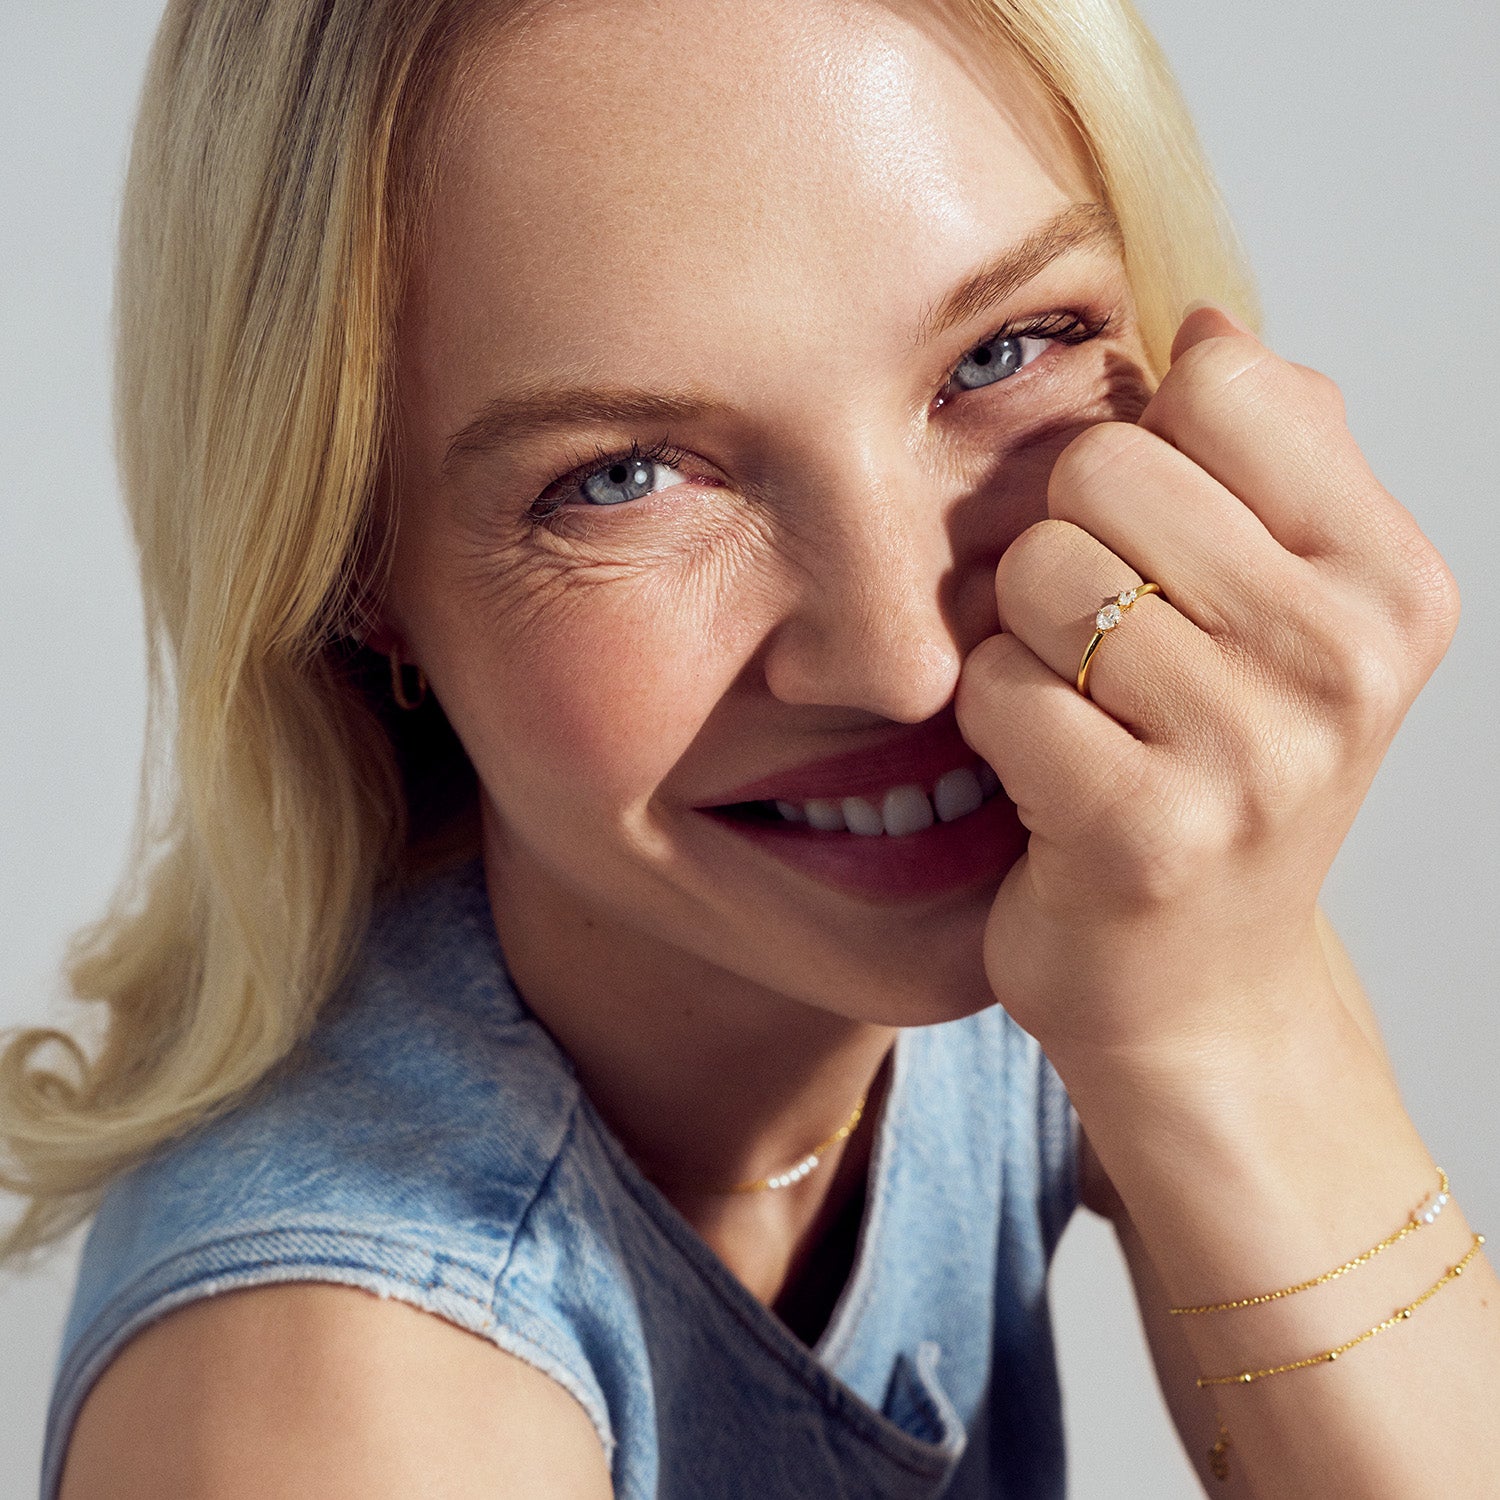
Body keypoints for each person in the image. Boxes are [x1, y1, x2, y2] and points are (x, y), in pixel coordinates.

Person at [3, 0, 1497, 1494]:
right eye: (624, 476)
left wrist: (1215, 1011)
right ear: (356, 570)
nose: (907, 663)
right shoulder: (347, 1416)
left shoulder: (1096, 858)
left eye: (1003, 353)